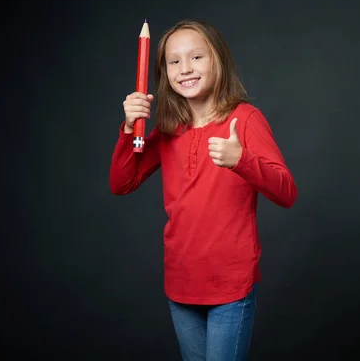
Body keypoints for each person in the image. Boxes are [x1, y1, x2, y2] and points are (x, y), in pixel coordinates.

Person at [109, 20, 297, 361]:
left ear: (217, 61)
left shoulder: (245, 118)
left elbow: (287, 192)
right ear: (165, 72)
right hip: (180, 281)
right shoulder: (170, 128)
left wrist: (242, 160)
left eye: (196, 57)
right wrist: (126, 128)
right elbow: (122, 183)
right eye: (174, 61)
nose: (185, 69)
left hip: (230, 284)